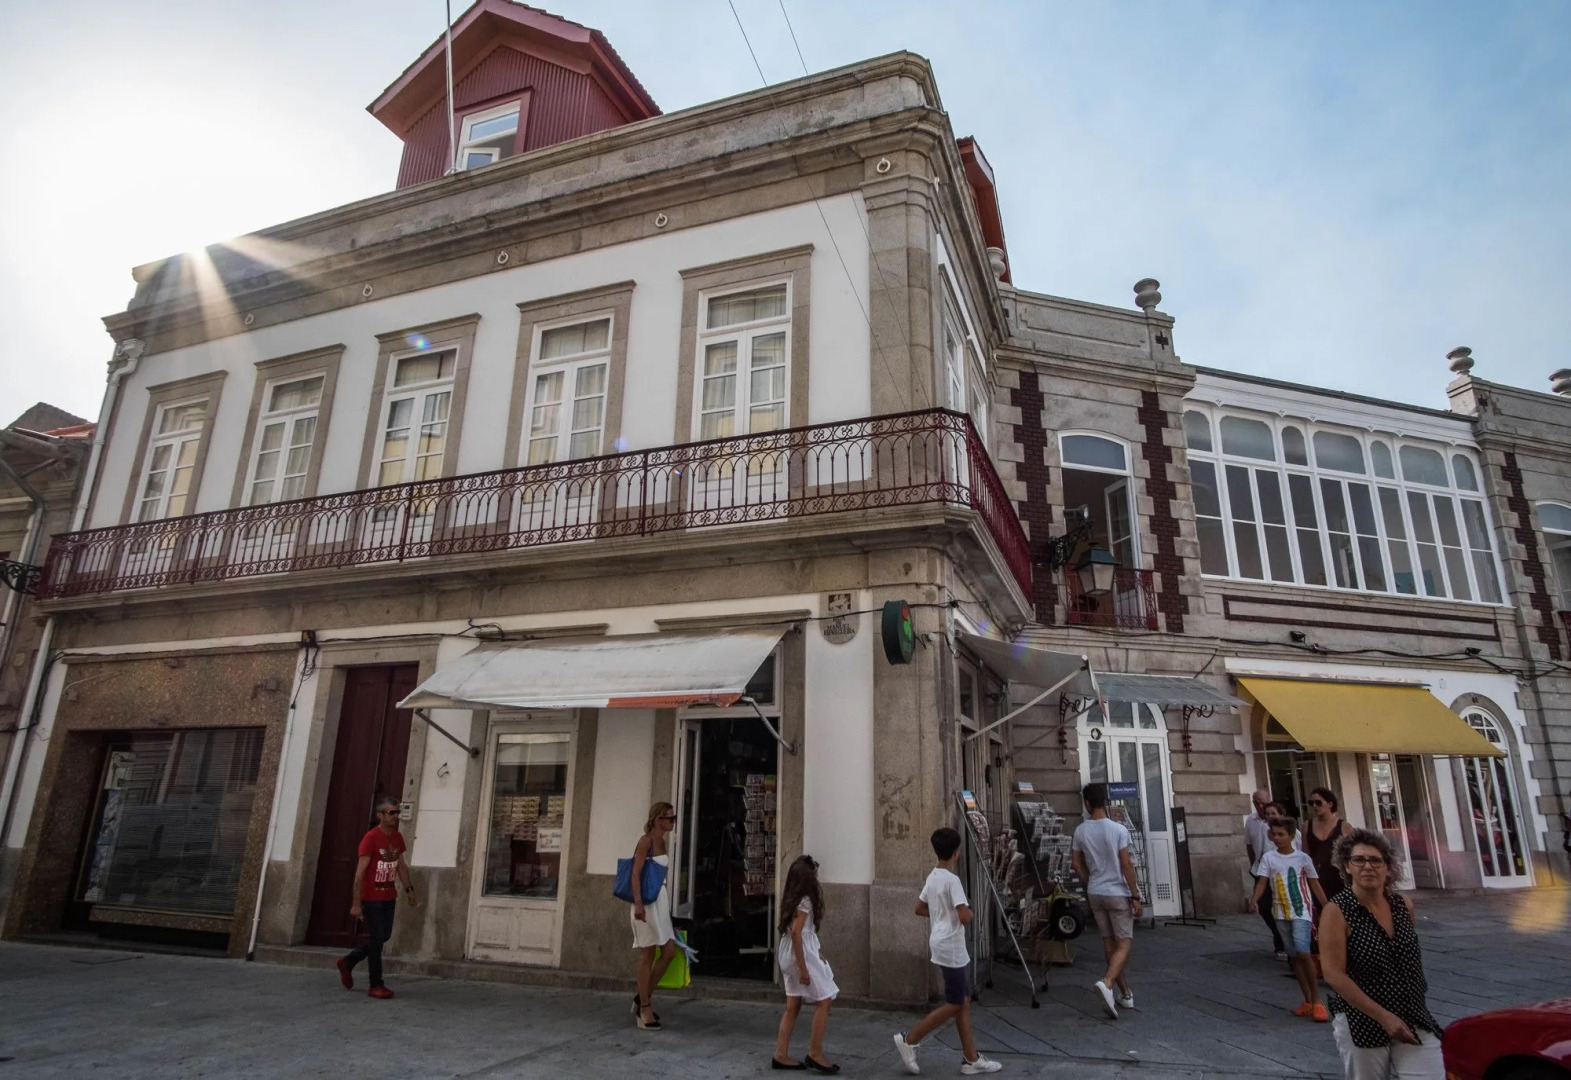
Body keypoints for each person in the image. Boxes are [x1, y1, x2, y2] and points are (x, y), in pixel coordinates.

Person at [1319, 829, 1444, 1080]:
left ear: (1387, 867)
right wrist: (1383, 1017)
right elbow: (1333, 974)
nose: (1368, 867)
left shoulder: (1402, 905)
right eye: (1359, 860)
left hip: (1412, 1013)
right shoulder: (1337, 911)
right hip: (1361, 1018)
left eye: (1376, 860)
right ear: (1347, 866)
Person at [892, 827, 1002, 1075]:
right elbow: (964, 916)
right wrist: (968, 913)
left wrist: (941, 915)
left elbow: (920, 908)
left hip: (941, 942)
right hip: (952, 946)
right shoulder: (953, 881)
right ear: (956, 852)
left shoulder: (933, 876)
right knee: (955, 1002)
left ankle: (971, 1059)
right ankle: (909, 1039)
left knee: (963, 1000)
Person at [1071, 782, 1143, 1019]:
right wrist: (1135, 894)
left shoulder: (1081, 831)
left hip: (1095, 891)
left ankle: (1125, 993)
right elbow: (1126, 864)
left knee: (1108, 942)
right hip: (1116, 891)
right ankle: (1108, 982)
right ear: (1106, 802)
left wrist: (1088, 880)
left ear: (1087, 803)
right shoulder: (1118, 830)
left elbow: (1076, 864)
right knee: (1124, 943)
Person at [1249, 816, 1330, 1021]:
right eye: (1274, 834)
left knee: (1303, 953)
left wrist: (1326, 905)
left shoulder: (1302, 859)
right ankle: (1308, 1000)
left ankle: (1318, 1000)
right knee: (1294, 957)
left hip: (1301, 910)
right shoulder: (1269, 858)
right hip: (1280, 912)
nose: (1276, 838)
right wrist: (1254, 900)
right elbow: (1262, 882)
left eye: (1280, 834)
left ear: (1291, 836)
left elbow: (1314, 884)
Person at [335, 796, 416, 999]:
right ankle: (376, 984)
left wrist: (409, 890)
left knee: (382, 936)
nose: (396, 816)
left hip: (389, 895)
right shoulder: (371, 838)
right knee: (378, 939)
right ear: (380, 815)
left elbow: (401, 866)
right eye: (392, 813)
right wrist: (356, 903)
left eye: (397, 812)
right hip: (371, 897)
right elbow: (360, 873)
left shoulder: (397, 837)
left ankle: (348, 962)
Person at [772, 855, 839, 1073]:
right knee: (825, 999)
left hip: (788, 953)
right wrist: (803, 968)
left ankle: (780, 1054)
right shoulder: (806, 900)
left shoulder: (792, 898)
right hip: (799, 954)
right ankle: (815, 1052)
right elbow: (797, 933)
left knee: (793, 1005)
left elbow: (794, 934)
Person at [630, 800, 679, 1030]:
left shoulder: (662, 842)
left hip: (659, 902)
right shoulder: (646, 842)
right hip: (646, 904)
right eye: (670, 818)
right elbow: (635, 874)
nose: (673, 822)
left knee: (668, 952)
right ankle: (644, 1009)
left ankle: (642, 998)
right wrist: (638, 903)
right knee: (647, 954)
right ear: (657, 819)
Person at [1245, 789, 1288, 959]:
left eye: (1263, 802)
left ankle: (1283, 942)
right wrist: (1252, 864)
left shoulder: (1285, 828)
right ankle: (1279, 936)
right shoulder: (1251, 821)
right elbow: (1248, 844)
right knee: (1264, 907)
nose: (1260, 806)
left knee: (1282, 907)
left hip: (1280, 872)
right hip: (1260, 868)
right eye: (1257, 802)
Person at [1302, 788, 1354, 901]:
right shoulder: (1307, 825)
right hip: (1317, 878)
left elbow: (1351, 855)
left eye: (1318, 802)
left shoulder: (1344, 826)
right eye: (1312, 803)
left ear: (1330, 804)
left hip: (1339, 878)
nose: (1315, 806)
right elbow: (1306, 854)